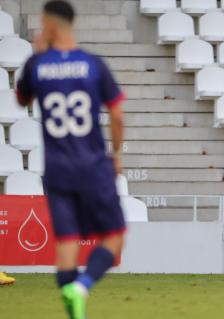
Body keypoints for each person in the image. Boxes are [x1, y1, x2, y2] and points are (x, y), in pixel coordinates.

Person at [16, 1, 125, 318]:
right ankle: (83, 286)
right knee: (114, 237)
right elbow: (117, 114)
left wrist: (37, 54)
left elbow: (22, 99)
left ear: (49, 23)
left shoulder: (37, 66)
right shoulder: (93, 64)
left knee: (67, 244)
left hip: (57, 170)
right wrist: (116, 154)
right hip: (92, 165)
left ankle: (74, 310)